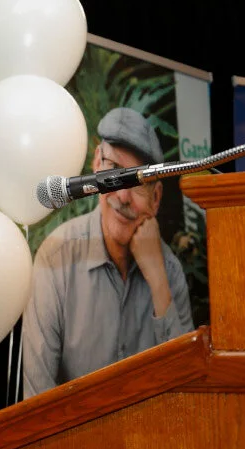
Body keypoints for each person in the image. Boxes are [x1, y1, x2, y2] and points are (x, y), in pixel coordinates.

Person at [22, 106, 194, 398]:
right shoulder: (56, 258)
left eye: (137, 182)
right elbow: (37, 399)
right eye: (114, 174)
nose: (123, 196)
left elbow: (188, 389)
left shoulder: (170, 271)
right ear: (96, 165)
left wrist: (157, 277)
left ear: (156, 199)